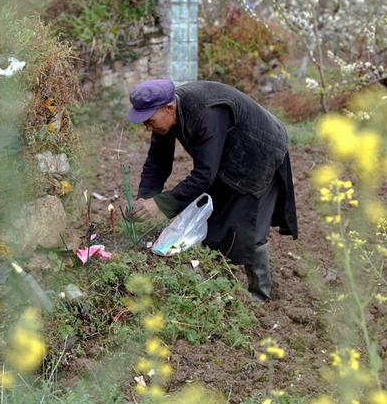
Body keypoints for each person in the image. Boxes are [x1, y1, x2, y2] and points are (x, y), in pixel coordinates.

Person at [125, 78, 298, 302]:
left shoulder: (207, 112)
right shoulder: (166, 116)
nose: (147, 127)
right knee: (214, 224)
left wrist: (160, 204)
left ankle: (259, 296)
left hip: (259, 152)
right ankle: (219, 285)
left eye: (149, 120)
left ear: (168, 108)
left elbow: (204, 175)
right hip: (225, 158)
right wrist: (145, 199)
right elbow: (158, 163)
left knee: (249, 228)